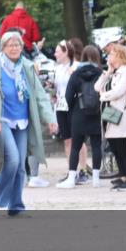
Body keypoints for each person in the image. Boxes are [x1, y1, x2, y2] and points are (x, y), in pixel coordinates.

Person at [0, 30, 56, 215]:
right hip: (3, 120)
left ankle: (16, 206)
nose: (15, 48)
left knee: (20, 166)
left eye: (17, 45)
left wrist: (50, 119)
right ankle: (2, 197)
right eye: (10, 45)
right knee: (14, 159)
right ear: (3, 48)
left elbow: (40, 95)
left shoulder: (26, 66)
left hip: (22, 121)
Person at [60, 46, 104, 187]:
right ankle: (96, 178)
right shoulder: (101, 73)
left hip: (79, 113)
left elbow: (67, 97)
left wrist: (75, 109)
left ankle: (72, 178)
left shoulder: (76, 73)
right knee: (97, 145)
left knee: (75, 146)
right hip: (96, 113)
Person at [96, 44, 126, 190]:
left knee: (123, 147)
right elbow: (97, 87)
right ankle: (123, 175)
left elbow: (118, 91)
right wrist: (107, 72)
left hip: (121, 114)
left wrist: (103, 96)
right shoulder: (114, 72)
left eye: (111, 54)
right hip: (111, 114)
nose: (109, 57)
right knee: (115, 147)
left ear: (119, 56)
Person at [51, 39, 79, 185]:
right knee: (67, 139)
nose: (55, 53)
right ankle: (71, 171)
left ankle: (81, 170)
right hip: (60, 106)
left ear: (66, 52)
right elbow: (56, 88)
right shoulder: (57, 68)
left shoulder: (75, 66)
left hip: (73, 106)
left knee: (77, 139)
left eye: (57, 51)